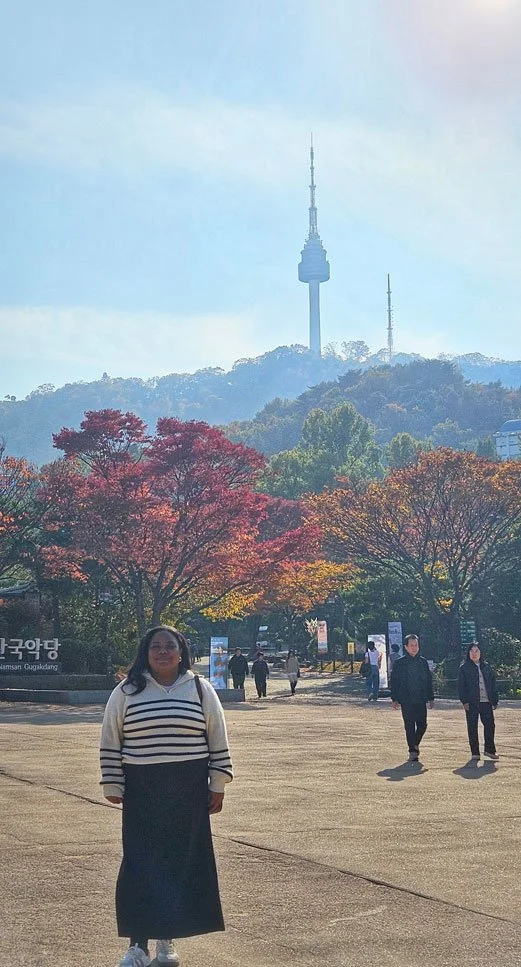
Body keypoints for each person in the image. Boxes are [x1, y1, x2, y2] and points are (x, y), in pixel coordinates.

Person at [100, 625, 234, 967]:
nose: (162, 652)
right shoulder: (127, 690)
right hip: (143, 790)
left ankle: (166, 941)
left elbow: (217, 737)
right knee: (140, 866)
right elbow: (111, 738)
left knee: (180, 865)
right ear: (145, 653)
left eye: (168, 646)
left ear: (181, 651)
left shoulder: (201, 689)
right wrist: (113, 783)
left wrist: (217, 783)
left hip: (188, 791)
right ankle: (138, 946)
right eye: (155, 646)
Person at [391, 633, 434, 761]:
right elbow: (394, 682)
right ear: (406, 647)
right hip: (406, 700)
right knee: (409, 725)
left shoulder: (423, 662)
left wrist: (431, 698)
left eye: (416, 645)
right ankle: (412, 751)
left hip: (421, 699)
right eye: (411, 645)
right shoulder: (400, 663)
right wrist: (394, 699)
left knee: (422, 725)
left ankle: (415, 743)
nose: (414, 648)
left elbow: (428, 681)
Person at [458, 641, 499, 761]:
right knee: (472, 727)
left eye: (477, 651)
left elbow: (492, 684)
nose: (474, 654)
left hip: (486, 701)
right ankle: (475, 752)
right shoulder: (464, 668)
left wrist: (494, 699)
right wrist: (464, 701)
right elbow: (461, 686)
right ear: (468, 653)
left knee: (490, 725)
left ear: (481, 653)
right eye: (472, 651)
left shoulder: (486, 667)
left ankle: (489, 750)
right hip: (471, 702)